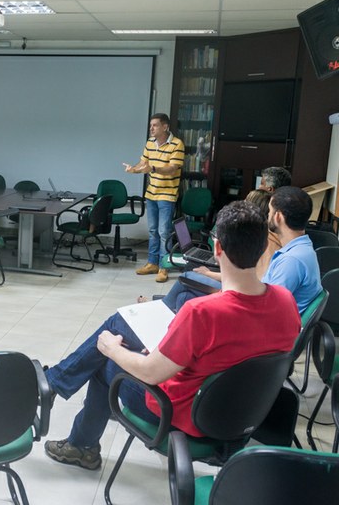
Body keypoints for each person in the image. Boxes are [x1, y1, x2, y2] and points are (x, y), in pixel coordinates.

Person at [43, 201, 301, 470]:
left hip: (183, 415)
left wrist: (111, 348)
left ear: (217, 248)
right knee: (126, 342)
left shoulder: (202, 312)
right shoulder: (285, 301)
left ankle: (81, 446)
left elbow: (150, 374)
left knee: (106, 359)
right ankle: (64, 404)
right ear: (262, 249)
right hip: (243, 415)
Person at [159, 186, 320, 314]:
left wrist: (225, 292)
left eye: (270, 211)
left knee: (188, 277)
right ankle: (164, 335)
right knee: (184, 297)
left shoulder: (292, 261)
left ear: (278, 217)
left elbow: (265, 306)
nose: (268, 215)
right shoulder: (301, 250)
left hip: (255, 319)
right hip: (255, 307)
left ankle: (155, 319)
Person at [124, 113, 185, 283]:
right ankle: (152, 263)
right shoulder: (150, 143)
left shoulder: (177, 144)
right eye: (151, 125)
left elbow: (172, 168)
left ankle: (164, 266)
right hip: (151, 193)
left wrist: (153, 169)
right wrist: (133, 169)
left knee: (164, 232)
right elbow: (143, 163)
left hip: (167, 194)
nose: (151, 128)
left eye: (155, 125)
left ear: (165, 127)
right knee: (152, 231)